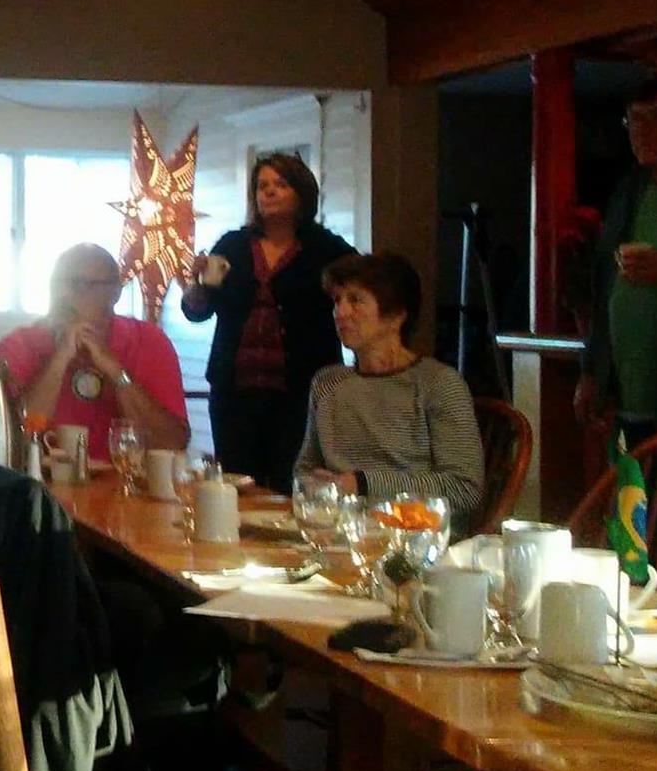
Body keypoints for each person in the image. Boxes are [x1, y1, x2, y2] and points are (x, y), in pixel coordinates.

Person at [180, 153, 356, 493]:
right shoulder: (232, 245)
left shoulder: (327, 250)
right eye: (262, 186)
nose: (269, 192)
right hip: (235, 392)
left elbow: (362, 291)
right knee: (237, 484)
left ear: (302, 192)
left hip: (300, 394)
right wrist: (195, 287)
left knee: (292, 484)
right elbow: (198, 311)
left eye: (281, 184)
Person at [296, 253, 484, 529]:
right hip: (338, 529)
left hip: (414, 535)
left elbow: (463, 488)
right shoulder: (327, 383)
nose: (340, 312)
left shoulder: (437, 384)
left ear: (396, 316)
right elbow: (305, 470)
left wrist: (362, 484)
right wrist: (315, 486)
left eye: (355, 300)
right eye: (337, 300)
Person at [578, 74, 657, 446]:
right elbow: (604, 285)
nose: (643, 131)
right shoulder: (629, 191)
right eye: (635, 119)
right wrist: (593, 372)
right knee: (632, 486)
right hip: (628, 399)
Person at [0, 243, 190, 455]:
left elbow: (173, 442)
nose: (64, 295)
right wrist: (59, 360)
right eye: (57, 284)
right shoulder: (19, 345)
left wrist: (116, 372)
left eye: (81, 285)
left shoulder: (148, 341)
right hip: (42, 476)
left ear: (115, 293)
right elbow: (9, 439)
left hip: (125, 475)